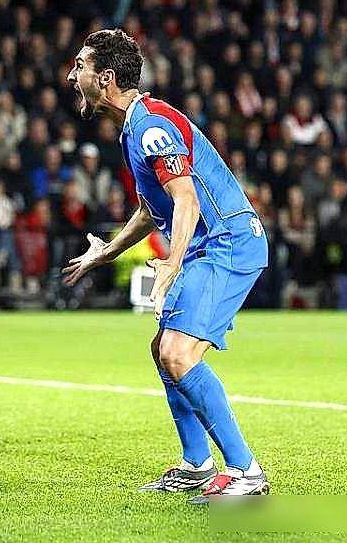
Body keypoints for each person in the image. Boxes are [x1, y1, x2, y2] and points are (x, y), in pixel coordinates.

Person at [62, 29, 270, 502]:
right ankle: (197, 464)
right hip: (206, 246)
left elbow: (186, 198)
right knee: (164, 350)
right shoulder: (134, 127)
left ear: (106, 78)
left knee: (178, 353)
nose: (73, 76)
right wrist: (108, 251)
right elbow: (151, 209)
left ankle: (246, 472)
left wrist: (171, 263)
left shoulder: (152, 127)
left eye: (80, 66)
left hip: (227, 243)